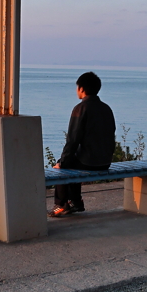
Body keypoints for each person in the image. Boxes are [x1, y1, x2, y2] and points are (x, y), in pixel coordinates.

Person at [49, 72, 116, 217]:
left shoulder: (81, 108)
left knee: (63, 165)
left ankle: (61, 204)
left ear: (81, 89)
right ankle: (75, 202)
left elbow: (73, 140)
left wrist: (61, 163)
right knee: (72, 161)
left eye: (77, 87)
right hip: (105, 162)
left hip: (89, 162)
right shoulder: (106, 108)